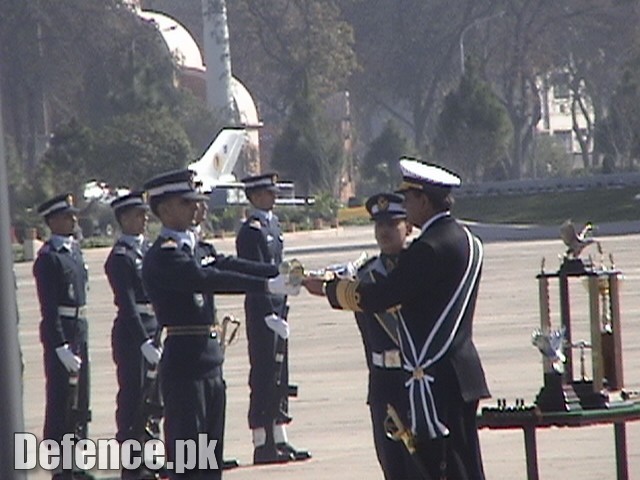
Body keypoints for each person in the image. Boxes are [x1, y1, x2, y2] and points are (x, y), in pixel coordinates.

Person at [304, 159, 490, 480]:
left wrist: (328, 290)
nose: (404, 207)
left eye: (408, 199)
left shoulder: (428, 248)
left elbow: (382, 296)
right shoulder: (466, 240)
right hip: (462, 373)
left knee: (438, 470)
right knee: (464, 464)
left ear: (423, 200)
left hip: (432, 378)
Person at [141, 169, 300, 480]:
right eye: (186, 202)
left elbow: (229, 264)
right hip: (185, 365)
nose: (195, 208)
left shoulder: (196, 248)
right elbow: (206, 278)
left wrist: (279, 273)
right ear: (164, 209)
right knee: (189, 461)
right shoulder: (163, 256)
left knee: (210, 463)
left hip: (210, 361)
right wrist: (269, 287)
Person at [235, 172, 310, 464]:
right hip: (262, 309)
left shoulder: (273, 224)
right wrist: (267, 312)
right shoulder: (251, 231)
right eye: (268, 192)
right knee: (264, 375)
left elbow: (278, 267)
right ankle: (261, 441)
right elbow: (253, 275)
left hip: (279, 307)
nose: (274, 196)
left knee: (280, 375)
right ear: (254, 196)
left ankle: (280, 437)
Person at [354, 193, 419, 480]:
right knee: (392, 465)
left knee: (422, 465)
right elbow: (367, 335)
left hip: (416, 378)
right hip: (384, 380)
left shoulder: (420, 268)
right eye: (379, 225)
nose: (384, 231)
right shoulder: (365, 276)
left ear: (408, 227)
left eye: (393, 223)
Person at [33, 193, 92, 480]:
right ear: (53, 221)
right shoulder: (48, 258)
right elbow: (50, 310)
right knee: (59, 399)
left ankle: (77, 460)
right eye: (67, 216)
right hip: (63, 332)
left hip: (79, 329)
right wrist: (59, 346)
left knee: (80, 398)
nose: (73, 219)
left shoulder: (75, 251)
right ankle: (59, 465)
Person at [104, 192, 161, 480]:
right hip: (132, 333)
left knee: (154, 398)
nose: (145, 218)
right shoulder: (120, 257)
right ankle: (132, 462)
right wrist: (143, 341)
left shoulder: (148, 250)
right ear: (124, 219)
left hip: (154, 326)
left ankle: (152, 456)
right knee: (133, 398)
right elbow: (127, 305)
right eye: (139, 214)